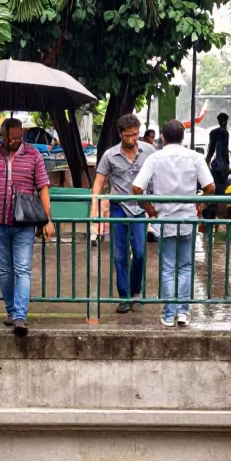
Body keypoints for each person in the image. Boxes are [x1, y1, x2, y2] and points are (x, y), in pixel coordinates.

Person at [132, 119, 214, 328]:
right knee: (185, 267)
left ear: (162, 137)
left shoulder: (155, 158)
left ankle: (168, 314)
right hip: (187, 219)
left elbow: (136, 188)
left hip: (165, 219)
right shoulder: (195, 157)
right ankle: (182, 313)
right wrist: (200, 206)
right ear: (183, 137)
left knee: (168, 267)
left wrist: (151, 210)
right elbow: (210, 187)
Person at [0, 117, 54, 337]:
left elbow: (43, 188)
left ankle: (20, 316)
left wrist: (48, 219)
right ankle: (11, 311)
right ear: (3, 135)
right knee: (4, 270)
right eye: (11, 138)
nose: (15, 141)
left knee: (22, 269)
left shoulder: (33, 155)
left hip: (24, 222)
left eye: (19, 137)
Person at [91, 113, 152, 313]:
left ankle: (136, 290)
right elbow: (98, 182)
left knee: (140, 253)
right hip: (118, 208)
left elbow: (158, 175)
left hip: (141, 207)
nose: (131, 139)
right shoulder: (110, 155)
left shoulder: (149, 151)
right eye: (127, 135)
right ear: (120, 134)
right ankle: (124, 296)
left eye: (135, 135)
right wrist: (94, 208)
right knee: (119, 256)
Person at [204, 113, 231, 218]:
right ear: (225, 121)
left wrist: (207, 162)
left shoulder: (213, 132)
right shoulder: (225, 133)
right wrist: (227, 165)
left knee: (214, 190)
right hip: (221, 166)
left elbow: (211, 150)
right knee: (220, 190)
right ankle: (218, 215)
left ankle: (212, 211)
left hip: (214, 165)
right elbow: (224, 151)